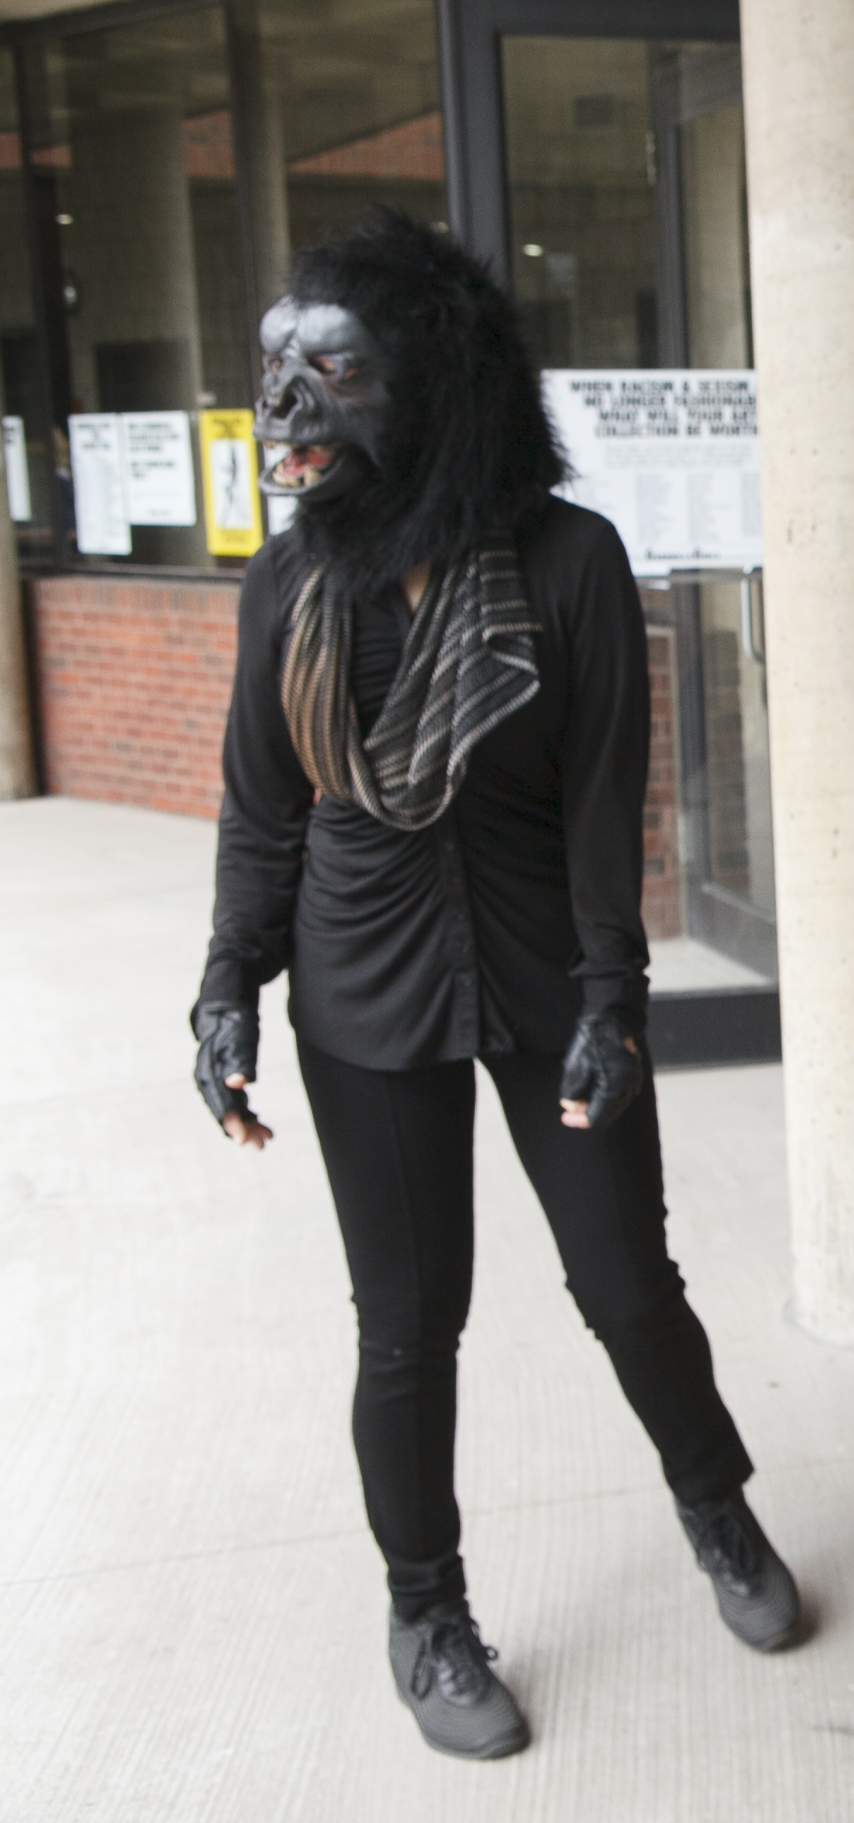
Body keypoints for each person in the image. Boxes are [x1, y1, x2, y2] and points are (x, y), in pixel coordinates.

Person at [190, 211, 798, 1762]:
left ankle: (718, 1512)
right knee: (407, 1326)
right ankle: (427, 1612)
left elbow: (608, 806)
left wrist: (615, 998)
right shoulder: (286, 589)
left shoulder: (568, 562)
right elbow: (265, 807)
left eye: (332, 367)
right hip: (360, 982)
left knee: (626, 1284)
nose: (285, 403)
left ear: (435, 386)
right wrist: (226, 988)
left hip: (542, 968)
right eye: (275, 365)